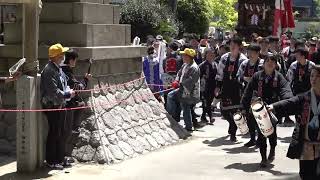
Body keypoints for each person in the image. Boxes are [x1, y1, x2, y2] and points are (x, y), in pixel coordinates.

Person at [241, 54, 293, 168]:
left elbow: (286, 91)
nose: (270, 63)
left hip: (273, 109)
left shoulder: (279, 77)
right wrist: (243, 107)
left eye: (272, 61)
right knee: (261, 134)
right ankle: (263, 158)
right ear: (263, 64)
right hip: (259, 108)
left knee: (272, 134)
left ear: (275, 65)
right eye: (267, 61)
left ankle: (273, 149)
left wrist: (284, 101)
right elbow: (248, 92)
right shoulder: (257, 76)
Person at [269, 65, 320, 180]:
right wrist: (273, 107)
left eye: (317, 76)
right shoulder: (304, 98)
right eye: (312, 76)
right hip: (307, 146)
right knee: (306, 175)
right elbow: (289, 103)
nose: (314, 79)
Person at [40, 43, 76, 170]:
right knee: (54, 132)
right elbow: (53, 91)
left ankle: (59, 158)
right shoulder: (49, 70)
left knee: (60, 132)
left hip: (60, 104)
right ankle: (51, 160)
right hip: (51, 106)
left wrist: (68, 91)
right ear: (56, 56)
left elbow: (64, 82)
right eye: (61, 54)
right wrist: (67, 94)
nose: (63, 56)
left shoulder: (57, 68)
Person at [60, 49, 91, 165]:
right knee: (66, 133)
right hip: (67, 105)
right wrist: (86, 80)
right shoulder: (66, 72)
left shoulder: (62, 70)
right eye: (75, 60)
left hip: (64, 104)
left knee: (64, 133)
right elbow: (78, 88)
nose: (76, 62)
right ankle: (63, 157)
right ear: (72, 60)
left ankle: (63, 156)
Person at [215, 36, 248, 142]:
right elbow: (219, 73)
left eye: (235, 46)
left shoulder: (243, 60)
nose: (232, 47)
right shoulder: (224, 57)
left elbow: (244, 76)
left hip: (237, 88)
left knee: (235, 111)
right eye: (231, 45)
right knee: (224, 111)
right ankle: (232, 123)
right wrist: (217, 86)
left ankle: (233, 133)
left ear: (240, 47)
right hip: (226, 86)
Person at [166, 48, 200, 131]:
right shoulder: (185, 65)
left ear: (188, 57)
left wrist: (179, 84)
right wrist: (176, 81)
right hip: (183, 88)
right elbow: (179, 73)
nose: (182, 57)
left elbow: (191, 81)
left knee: (176, 99)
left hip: (189, 91)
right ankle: (186, 124)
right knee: (183, 106)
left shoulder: (194, 68)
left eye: (184, 55)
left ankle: (175, 118)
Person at [237, 43, 264, 147]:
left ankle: (260, 139)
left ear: (258, 53)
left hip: (259, 95)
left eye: (253, 52)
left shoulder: (262, 64)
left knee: (259, 117)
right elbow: (238, 76)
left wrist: (254, 80)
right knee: (249, 117)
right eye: (249, 52)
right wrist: (244, 79)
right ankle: (252, 138)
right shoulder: (244, 63)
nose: (250, 54)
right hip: (247, 94)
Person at [199, 48, 218, 124]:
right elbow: (199, 76)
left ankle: (203, 115)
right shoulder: (203, 65)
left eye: (212, 54)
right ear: (205, 55)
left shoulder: (215, 64)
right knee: (206, 101)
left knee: (209, 102)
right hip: (205, 86)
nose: (211, 55)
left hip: (213, 86)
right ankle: (211, 117)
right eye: (209, 54)